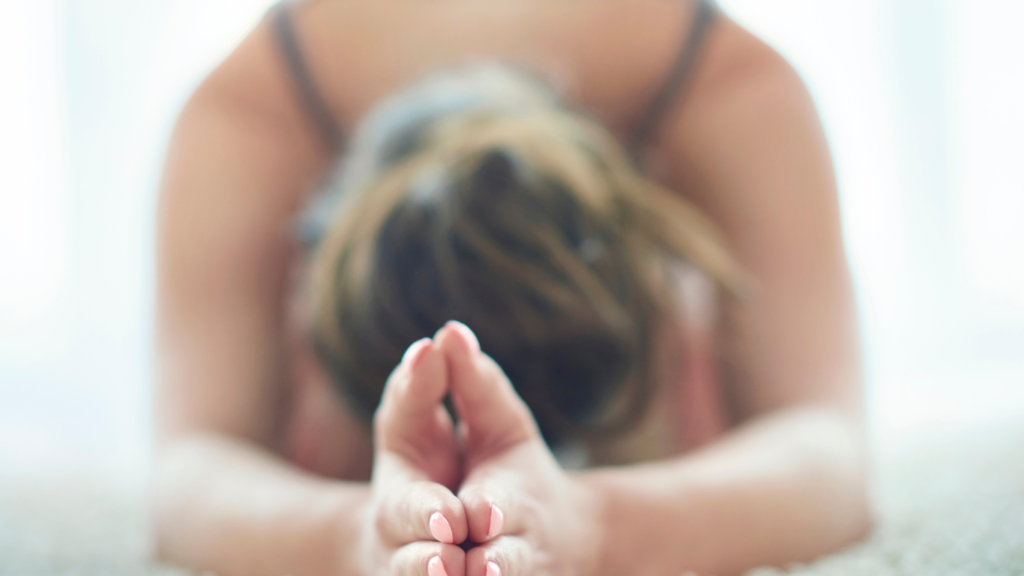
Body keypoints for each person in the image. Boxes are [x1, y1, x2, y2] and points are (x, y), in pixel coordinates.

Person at [153, 0, 870, 575]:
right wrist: (365, 537)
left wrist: (587, 525)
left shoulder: (728, 88)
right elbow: (188, 475)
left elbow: (831, 455)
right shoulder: (252, 113)